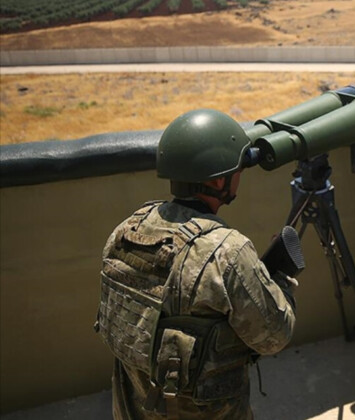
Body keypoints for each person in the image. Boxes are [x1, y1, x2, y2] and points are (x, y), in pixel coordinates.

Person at [95, 109, 297, 419]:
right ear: (218, 181)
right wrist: (281, 281)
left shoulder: (126, 231)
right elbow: (274, 337)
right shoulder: (227, 253)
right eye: (237, 167)